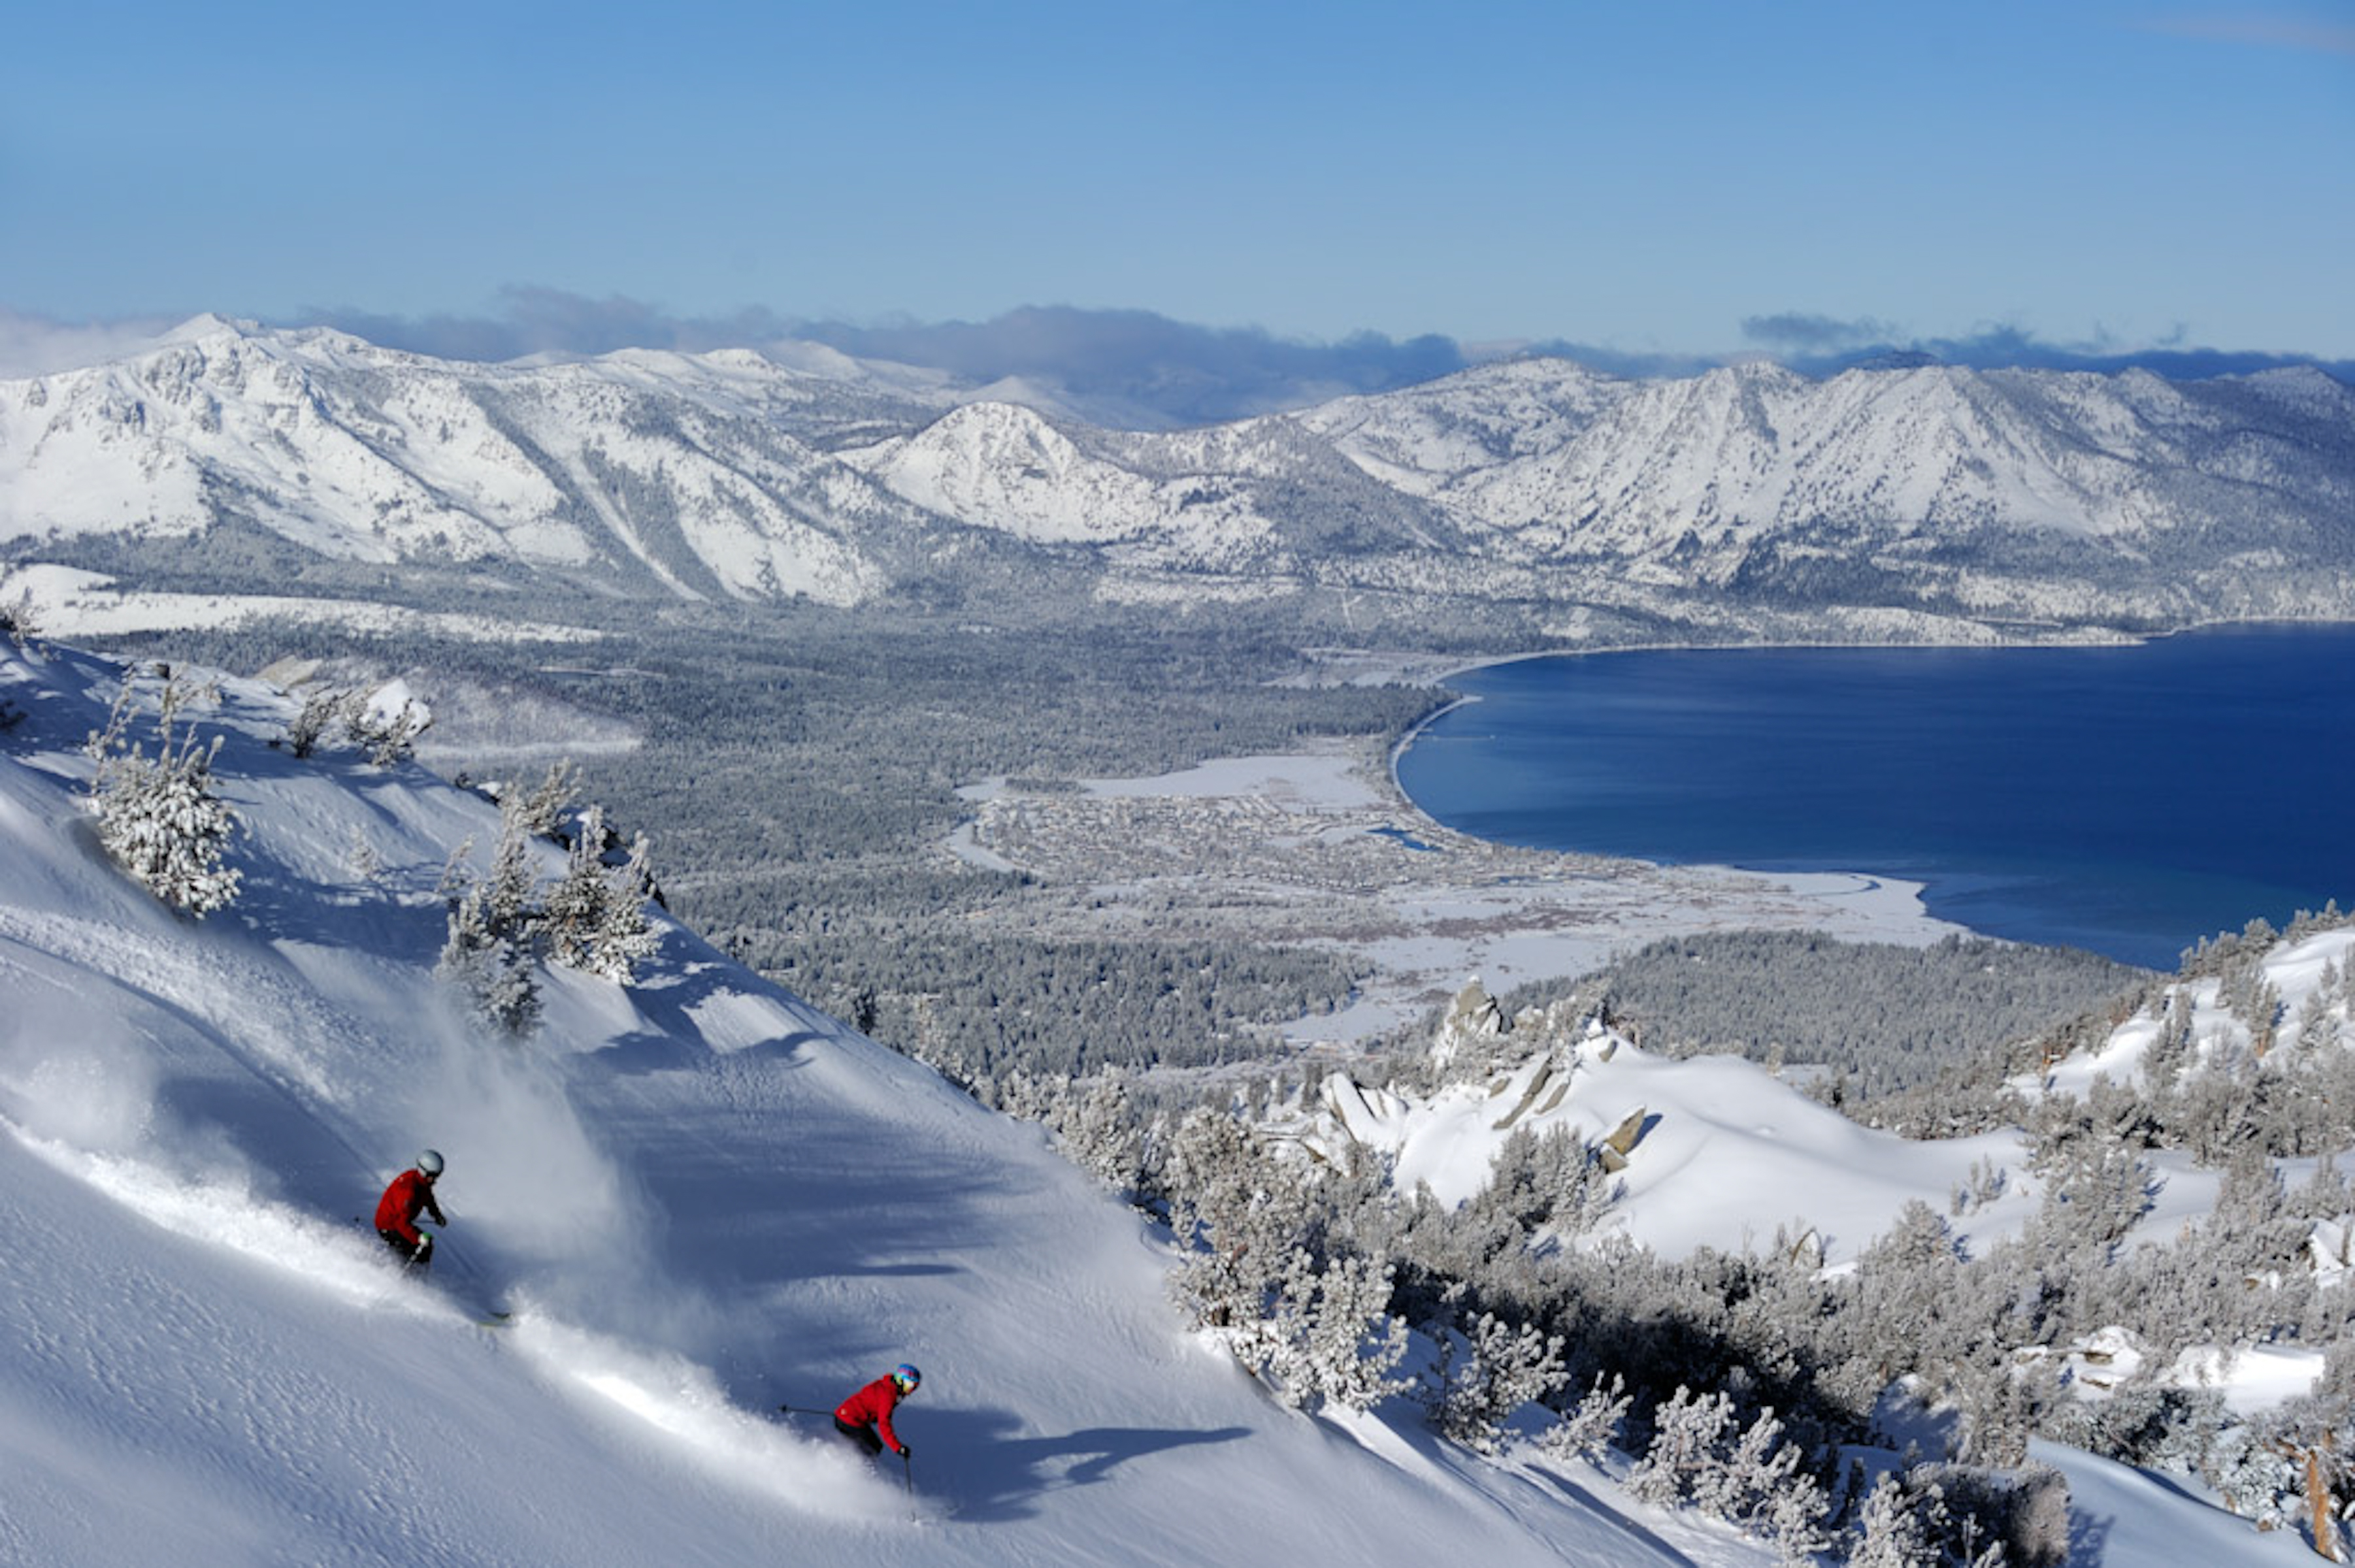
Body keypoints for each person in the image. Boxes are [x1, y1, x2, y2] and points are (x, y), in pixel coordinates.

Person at [375, 1149, 448, 1272]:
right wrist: (417, 1239)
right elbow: (400, 1223)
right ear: (424, 1172)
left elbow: (428, 1198)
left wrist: (436, 1215)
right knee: (417, 1247)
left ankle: (418, 1274)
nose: (436, 1180)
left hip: (401, 1222)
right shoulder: (409, 1191)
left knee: (426, 1245)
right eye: (434, 1176)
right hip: (389, 1226)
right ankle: (403, 1275)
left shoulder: (421, 1182)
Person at [833, 1364, 921, 1461]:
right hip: (849, 1420)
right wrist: (898, 1448)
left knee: (874, 1446)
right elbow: (884, 1424)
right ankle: (853, 1467)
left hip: (847, 1416)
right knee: (872, 1447)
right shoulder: (889, 1395)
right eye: (910, 1385)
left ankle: (855, 1464)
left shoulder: (888, 1386)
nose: (911, 1390)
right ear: (901, 1381)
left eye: (914, 1387)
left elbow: (868, 1398)